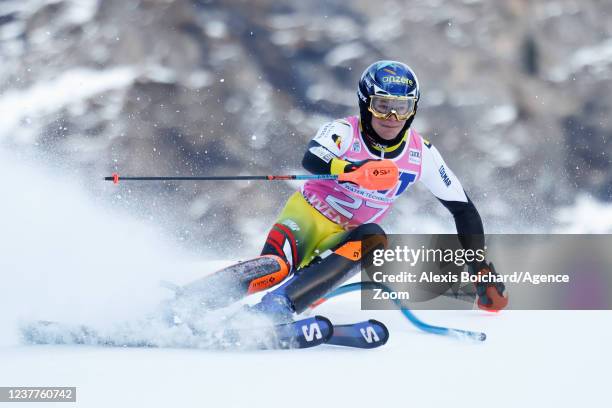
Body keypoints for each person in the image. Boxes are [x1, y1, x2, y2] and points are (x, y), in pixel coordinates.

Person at [180, 60, 508, 320]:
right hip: (309, 218)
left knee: (374, 237)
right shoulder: (344, 132)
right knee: (276, 267)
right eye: (382, 105)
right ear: (366, 103)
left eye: (402, 107)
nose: (392, 117)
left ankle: (274, 312)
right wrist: (352, 172)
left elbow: (462, 208)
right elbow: (313, 157)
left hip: (346, 241)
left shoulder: (422, 154)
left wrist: (478, 267)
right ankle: (187, 302)